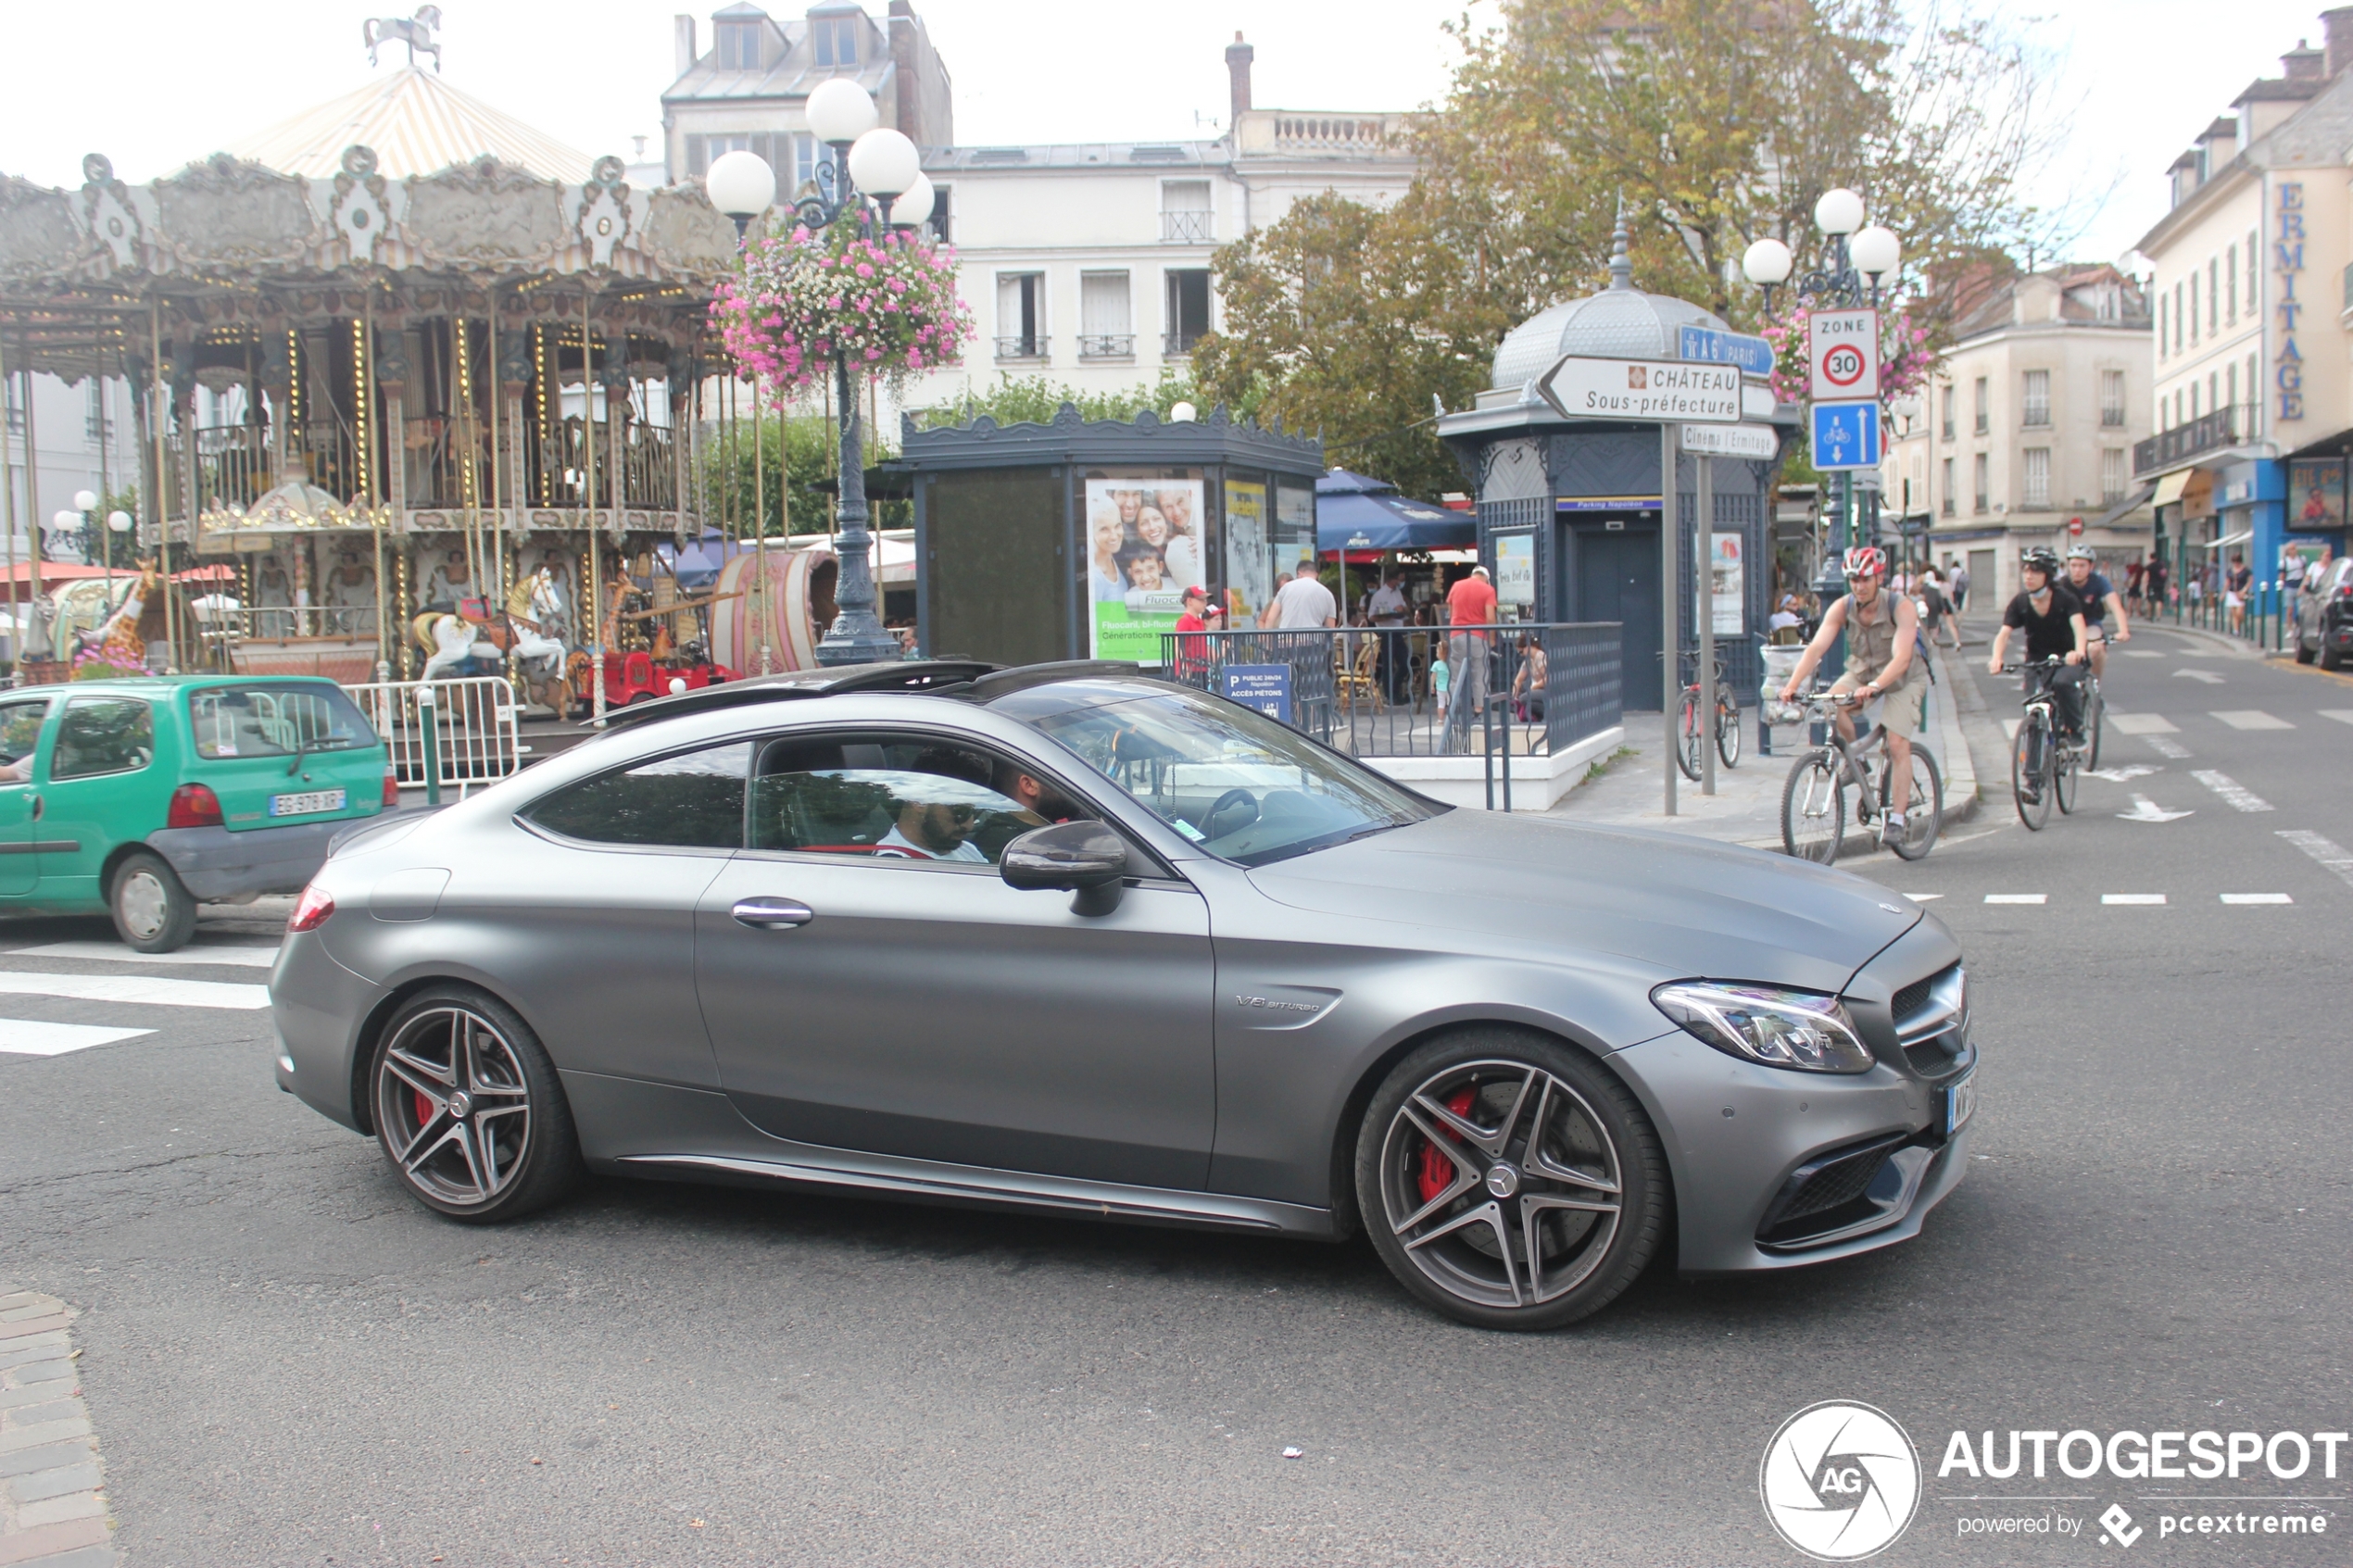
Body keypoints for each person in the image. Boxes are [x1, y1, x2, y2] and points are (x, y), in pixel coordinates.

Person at [1777, 546, 1930, 844]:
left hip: (1904, 677)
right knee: (1833, 705)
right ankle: (1857, 763)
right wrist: (1792, 685)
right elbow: (1816, 648)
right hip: (1863, 671)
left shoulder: (1901, 607)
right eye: (1854, 580)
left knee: (1897, 744)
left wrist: (1875, 687)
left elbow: (1901, 658)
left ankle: (1897, 819)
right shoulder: (1842, 607)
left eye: (1865, 579)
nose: (1859, 586)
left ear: (1879, 578)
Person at [1987, 547, 2088, 744]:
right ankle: (2034, 769)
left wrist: (2079, 652)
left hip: (2066, 657)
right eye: (2026, 571)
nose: (2029, 576)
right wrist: (1997, 658)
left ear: (2047, 576)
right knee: (2033, 705)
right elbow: (2004, 633)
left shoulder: (2065, 598)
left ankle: (2075, 730)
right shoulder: (2021, 602)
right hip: (2036, 660)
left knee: (2063, 683)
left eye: (2035, 572)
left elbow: (2079, 626)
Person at [1444, 566, 1498, 750]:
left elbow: (1450, 612)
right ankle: (1478, 712)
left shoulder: (1456, 586)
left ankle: (1454, 708)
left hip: (1456, 635)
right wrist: (1491, 637)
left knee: (1455, 674)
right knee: (1479, 673)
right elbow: (1490, 617)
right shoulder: (1488, 590)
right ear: (1486, 578)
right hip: (1478, 636)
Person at [2063, 546, 2130, 678]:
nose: (2077, 570)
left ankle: (2093, 685)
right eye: (2074, 565)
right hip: (2065, 626)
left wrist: (2123, 630)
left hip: (2090, 624)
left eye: (2082, 566)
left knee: (2096, 649)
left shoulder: (2099, 581)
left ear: (2091, 567)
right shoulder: (2061, 584)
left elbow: (2115, 606)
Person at [1262, 559, 1338, 630]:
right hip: (1313, 641)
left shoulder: (1285, 588)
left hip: (1286, 640)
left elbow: (1270, 619)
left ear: (1299, 573)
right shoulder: (1328, 595)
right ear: (1316, 575)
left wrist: (1269, 642)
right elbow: (1330, 629)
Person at [1368, 571, 1409, 698]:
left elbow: (1405, 608)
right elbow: (1372, 617)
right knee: (1388, 664)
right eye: (1400, 579)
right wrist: (1389, 614)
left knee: (1405, 663)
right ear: (1392, 579)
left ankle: (1395, 691)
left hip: (1398, 631)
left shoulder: (1398, 592)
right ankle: (1389, 695)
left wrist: (1402, 610)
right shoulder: (1379, 595)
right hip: (1387, 632)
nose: (1401, 583)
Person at [1171, 585, 1218, 681]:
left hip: (1201, 668)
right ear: (1190, 601)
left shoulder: (1199, 621)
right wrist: (1184, 667)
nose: (1205, 602)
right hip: (1189, 670)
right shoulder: (1185, 621)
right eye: (1201, 600)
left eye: (1205, 600)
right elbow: (1178, 646)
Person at [1088, 509, 1127, 603]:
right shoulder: (1096, 577)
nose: (1114, 536)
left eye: (1117, 526)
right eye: (1104, 529)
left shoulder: (1115, 558)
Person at [2225, 551, 2253, 636]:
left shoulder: (2246, 570)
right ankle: (2236, 630)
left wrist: (2244, 590)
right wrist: (2223, 593)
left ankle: (2244, 621)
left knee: (2239, 613)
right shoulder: (2230, 571)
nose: (2236, 564)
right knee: (2234, 613)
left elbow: (2250, 580)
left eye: (2237, 562)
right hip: (2232, 592)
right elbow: (2227, 582)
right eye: (2234, 562)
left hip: (2241, 593)